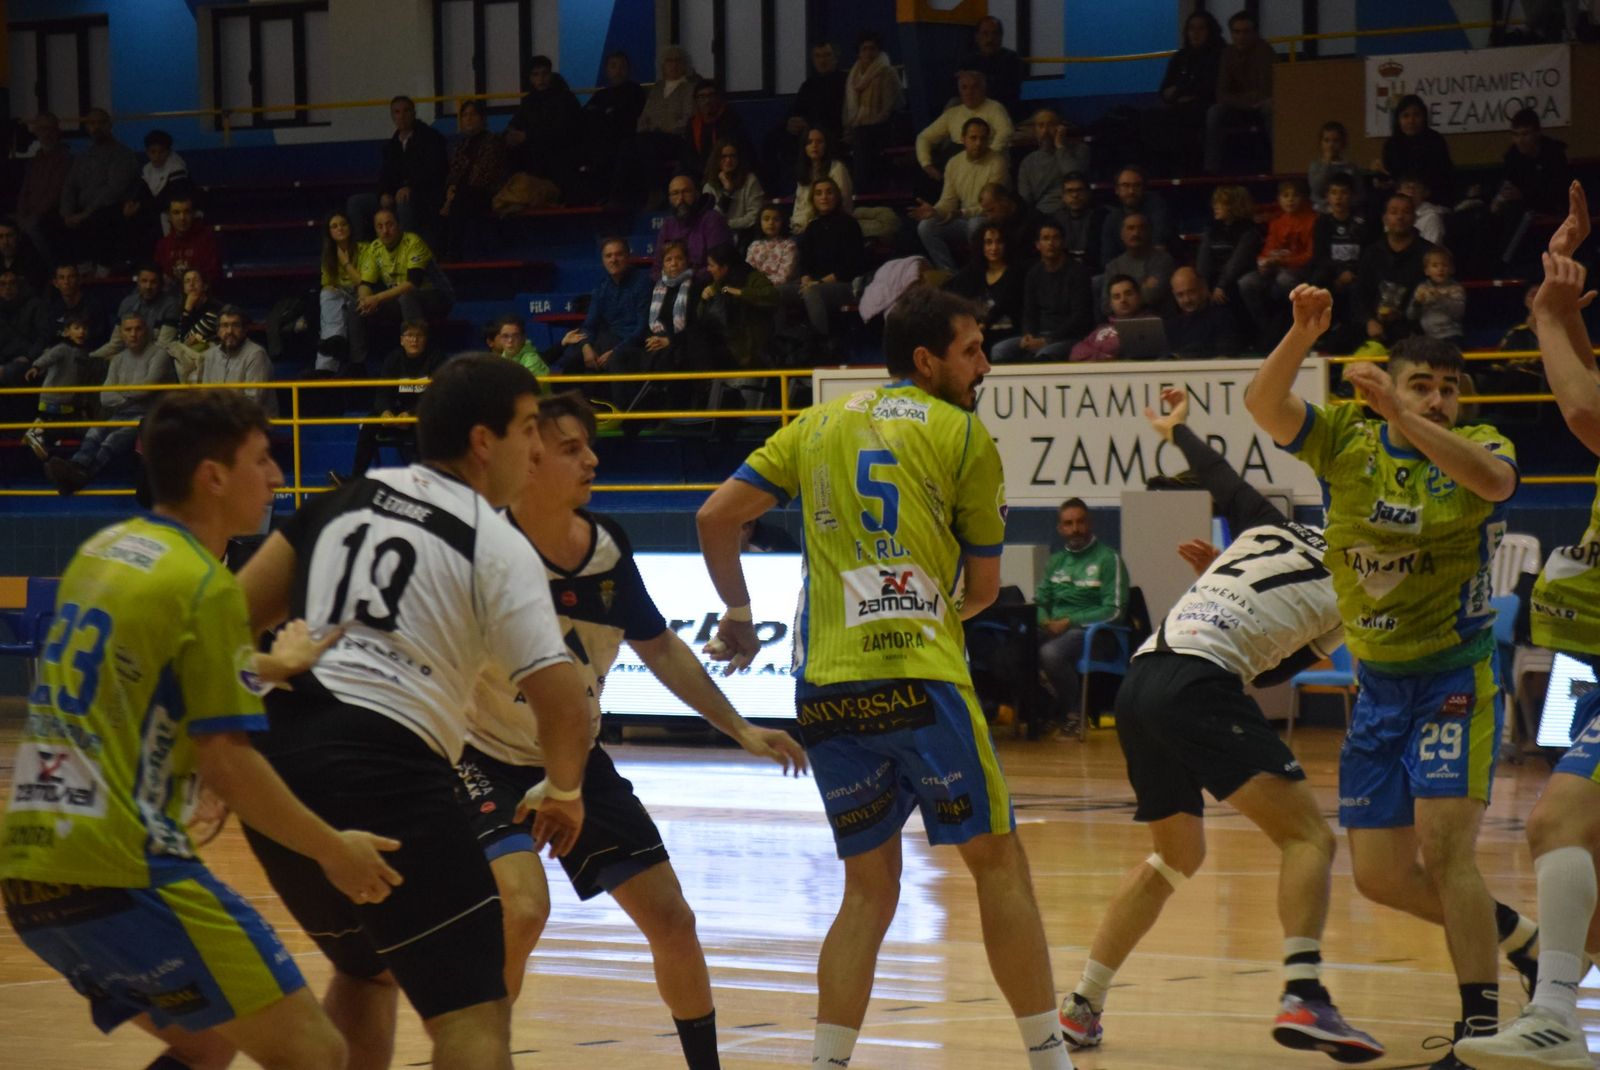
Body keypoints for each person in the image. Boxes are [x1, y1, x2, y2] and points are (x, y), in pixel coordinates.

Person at [695, 286, 1075, 1070]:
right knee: (998, 863)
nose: (983, 364)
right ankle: (1050, 1061)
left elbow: (713, 516)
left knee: (868, 890)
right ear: (927, 359)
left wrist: (737, 608)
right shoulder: (964, 435)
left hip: (827, 689)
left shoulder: (816, 423)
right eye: (971, 349)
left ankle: (826, 1064)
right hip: (920, 678)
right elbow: (980, 590)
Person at [0, 388, 402, 1070]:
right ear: (213, 477)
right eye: (261, 458)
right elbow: (229, 763)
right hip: (126, 867)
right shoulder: (205, 585)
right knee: (318, 1054)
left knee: (209, 1044)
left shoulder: (105, 552)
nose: (276, 475)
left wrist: (277, 663)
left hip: (32, 873)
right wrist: (333, 848)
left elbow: (158, 668)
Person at [232, 354, 595, 1070]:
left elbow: (221, 625)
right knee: (475, 1011)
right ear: (484, 441)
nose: (537, 446)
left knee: (369, 972)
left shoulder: (342, 500)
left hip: (278, 764)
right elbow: (564, 700)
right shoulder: (494, 540)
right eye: (529, 428)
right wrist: (566, 791)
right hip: (383, 767)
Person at [458, 391, 807, 1067]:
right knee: (522, 912)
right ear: (529, 461)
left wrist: (740, 729)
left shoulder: (608, 548)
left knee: (673, 921)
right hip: (484, 759)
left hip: (577, 763)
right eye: (571, 449)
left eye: (590, 445)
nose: (591, 458)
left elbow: (662, 647)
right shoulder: (483, 552)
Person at [1246, 287, 1540, 1068]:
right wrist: (1300, 336)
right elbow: (1264, 404)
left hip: (1453, 677)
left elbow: (1495, 486)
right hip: (1376, 689)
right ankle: (1520, 939)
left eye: (1448, 387)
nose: (1439, 399)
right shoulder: (1345, 437)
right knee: (1379, 877)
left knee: (1447, 852)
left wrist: (1404, 418)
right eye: (1422, 385)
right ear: (1391, 385)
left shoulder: (1481, 442)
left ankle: (1480, 1034)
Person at [1060, 387, 1384, 1061]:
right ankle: (1305, 996)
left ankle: (1083, 1005)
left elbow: (1221, 477)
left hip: (1143, 678)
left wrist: (1178, 431)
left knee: (1175, 856)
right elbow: (1268, 677)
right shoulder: (1361, 585)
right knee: (1309, 839)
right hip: (1199, 683)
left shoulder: (1268, 525)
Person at [1455, 188, 1599, 1070]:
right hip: (1593, 654)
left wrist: (1547, 318)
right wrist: (1559, 306)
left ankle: (1553, 1020)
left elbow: (1585, 415)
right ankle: (1556, 1017)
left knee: (1555, 826)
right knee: (1582, 851)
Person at [45, 313, 176, 495]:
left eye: (138, 329)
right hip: (122, 413)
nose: (133, 334)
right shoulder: (118, 359)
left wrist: (121, 390)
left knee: (112, 439)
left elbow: (146, 389)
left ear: (146, 331)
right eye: (128, 330)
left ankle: (80, 477)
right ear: (121, 333)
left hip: (151, 415)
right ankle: (76, 466)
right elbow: (105, 397)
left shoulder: (159, 355)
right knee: (95, 431)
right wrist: (133, 393)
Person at [1035, 498, 1130, 735]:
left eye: (1080, 522)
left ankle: (1073, 714)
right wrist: (1044, 620)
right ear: (1060, 528)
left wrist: (1069, 622)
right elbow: (1039, 602)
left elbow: (1115, 610)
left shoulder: (1108, 559)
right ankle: (1039, 710)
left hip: (1095, 635)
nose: (1075, 529)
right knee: (1016, 648)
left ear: (1090, 523)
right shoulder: (1056, 561)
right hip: (1054, 630)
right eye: (1068, 523)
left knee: (1050, 653)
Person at [337, 317, 448, 481]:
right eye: (409, 335)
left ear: (426, 339)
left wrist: (412, 414)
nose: (414, 340)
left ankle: (420, 483)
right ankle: (355, 480)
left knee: (425, 429)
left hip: (425, 414)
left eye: (419, 336)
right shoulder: (393, 359)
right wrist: (385, 412)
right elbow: (383, 391)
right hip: (398, 415)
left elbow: (437, 395)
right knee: (369, 424)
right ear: (402, 340)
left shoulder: (437, 359)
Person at [911, 118, 1009, 272]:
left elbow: (991, 207)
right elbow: (948, 201)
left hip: (988, 219)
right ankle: (949, 274)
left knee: (975, 224)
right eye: (973, 138)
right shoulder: (954, 163)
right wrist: (935, 211)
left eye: (983, 138)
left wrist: (962, 213)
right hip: (962, 219)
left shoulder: (997, 162)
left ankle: (980, 273)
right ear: (963, 139)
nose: (978, 143)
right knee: (926, 226)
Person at [348, 96, 450, 245]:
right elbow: (386, 175)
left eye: (406, 111)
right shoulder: (392, 146)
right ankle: (361, 253)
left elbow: (435, 172)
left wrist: (411, 187)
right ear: (392, 116)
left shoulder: (432, 138)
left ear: (413, 113)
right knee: (356, 202)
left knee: (404, 201)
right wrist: (384, 193)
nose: (401, 116)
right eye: (396, 112)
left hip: (425, 196)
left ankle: (407, 255)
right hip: (397, 195)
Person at [613, 240, 698, 415]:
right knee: (620, 356)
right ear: (663, 264)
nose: (674, 263)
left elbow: (697, 328)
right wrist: (652, 338)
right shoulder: (657, 288)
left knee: (667, 359)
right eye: (669, 259)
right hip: (654, 341)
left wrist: (669, 340)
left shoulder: (695, 288)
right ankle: (625, 412)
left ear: (687, 261)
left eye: (679, 259)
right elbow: (649, 322)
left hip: (681, 344)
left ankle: (669, 415)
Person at [992, 220, 1093, 362]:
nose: (1051, 243)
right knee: (1000, 350)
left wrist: (1048, 339)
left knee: (1044, 354)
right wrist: (1028, 334)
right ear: (1037, 245)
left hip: (1069, 337)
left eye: (1055, 238)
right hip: (1039, 334)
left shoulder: (1078, 273)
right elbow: (1029, 311)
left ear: (1063, 242)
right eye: (1046, 238)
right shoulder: (1034, 273)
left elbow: (1080, 317)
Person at [57, 108, 141, 273]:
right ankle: (71, 273)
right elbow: (69, 186)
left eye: (101, 123)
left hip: (110, 209)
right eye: (92, 123)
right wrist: (66, 213)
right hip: (83, 211)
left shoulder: (122, 154)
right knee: (54, 223)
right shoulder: (83, 157)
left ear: (109, 125)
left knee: (99, 219)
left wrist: (85, 214)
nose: (96, 127)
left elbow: (114, 190)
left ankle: (102, 271)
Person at [784, 178, 866, 345]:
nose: (824, 197)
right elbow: (805, 262)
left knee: (812, 292)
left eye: (829, 192)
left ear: (836, 196)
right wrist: (806, 278)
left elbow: (853, 265)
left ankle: (820, 347)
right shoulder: (812, 227)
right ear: (813, 199)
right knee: (775, 293)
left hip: (844, 285)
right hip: (813, 284)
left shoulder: (849, 224)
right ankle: (782, 344)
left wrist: (819, 282)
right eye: (819, 193)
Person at [1239, 179, 1317, 350]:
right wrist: (1263, 262)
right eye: (1285, 196)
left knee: (1284, 280)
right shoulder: (1277, 222)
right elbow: (1268, 249)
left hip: (1299, 270)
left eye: (1295, 196)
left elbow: (1309, 256)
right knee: (1246, 282)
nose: (1290, 200)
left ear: (1303, 198)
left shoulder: (1312, 220)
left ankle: (1296, 327)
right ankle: (1267, 330)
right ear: (1279, 199)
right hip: (1276, 269)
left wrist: (1283, 261)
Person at [556, 236, 652, 376]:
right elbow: (589, 325)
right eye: (608, 256)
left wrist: (616, 350)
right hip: (609, 341)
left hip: (635, 344)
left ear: (628, 256)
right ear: (603, 260)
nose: (613, 260)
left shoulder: (643, 283)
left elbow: (642, 328)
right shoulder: (601, 288)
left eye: (618, 254)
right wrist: (585, 346)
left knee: (616, 359)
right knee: (573, 361)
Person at [1142, 10, 1223, 174]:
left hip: (1205, 106)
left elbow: (1209, 86)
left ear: (1210, 31)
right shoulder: (1181, 57)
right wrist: (1181, 90)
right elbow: (1164, 90)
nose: (1195, 33)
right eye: (1191, 28)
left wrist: (1179, 89)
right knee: (1149, 117)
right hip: (1178, 106)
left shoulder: (1220, 54)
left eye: (1201, 29)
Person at [1351, 193, 1433, 350]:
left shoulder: (1428, 253)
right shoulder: (1372, 252)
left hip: (1416, 330)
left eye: (1406, 212)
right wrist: (1369, 321)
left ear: (1414, 218)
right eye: (1394, 212)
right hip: (1375, 327)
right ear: (1385, 218)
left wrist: (1405, 314)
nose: (1400, 217)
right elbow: (1359, 294)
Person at [357, 207, 455, 334]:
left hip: (437, 296)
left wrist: (376, 298)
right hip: (400, 297)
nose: (385, 231)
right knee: (356, 306)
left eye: (389, 225)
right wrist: (365, 301)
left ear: (398, 225)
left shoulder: (413, 242)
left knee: (407, 298)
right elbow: (366, 283)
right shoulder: (374, 248)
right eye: (379, 227)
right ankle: (359, 354)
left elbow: (412, 284)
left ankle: (418, 348)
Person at [1203, 11, 1276, 175]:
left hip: (1261, 106)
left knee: (1271, 109)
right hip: (1239, 106)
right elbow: (1221, 93)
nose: (1241, 36)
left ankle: (1280, 161)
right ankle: (1211, 170)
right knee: (1214, 112)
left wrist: (1240, 99)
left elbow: (1265, 91)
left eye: (1245, 32)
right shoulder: (1227, 54)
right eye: (1236, 32)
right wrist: (1246, 100)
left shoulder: (1265, 51)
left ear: (1255, 33)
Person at [914, 70, 1014, 187]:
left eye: (974, 87)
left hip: (987, 164)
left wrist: (986, 155)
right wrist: (926, 164)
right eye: (964, 87)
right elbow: (924, 137)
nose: (969, 92)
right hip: (958, 166)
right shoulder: (952, 113)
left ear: (983, 88)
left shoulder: (994, 108)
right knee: (924, 179)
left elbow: (1006, 132)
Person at [441, 99, 510, 260]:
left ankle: (453, 252)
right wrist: (451, 187)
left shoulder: (493, 142)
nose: (469, 119)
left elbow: (485, 175)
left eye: (473, 114)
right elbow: (454, 171)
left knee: (461, 200)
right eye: (465, 115)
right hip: (461, 193)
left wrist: (455, 193)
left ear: (482, 118)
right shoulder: (461, 145)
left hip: (486, 192)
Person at [504, 55, 582, 193]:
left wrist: (528, 136)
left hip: (560, 154)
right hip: (533, 155)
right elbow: (515, 123)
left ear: (551, 75)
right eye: (536, 75)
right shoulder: (529, 101)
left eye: (544, 74)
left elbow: (563, 132)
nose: (540, 79)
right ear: (530, 78)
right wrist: (511, 134)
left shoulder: (565, 99)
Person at [19, 310, 89, 460]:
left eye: (84, 328)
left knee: (66, 425)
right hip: (53, 397)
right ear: (66, 332)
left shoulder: (83, 353)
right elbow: (48, 357)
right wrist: (36, 367)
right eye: (77, 328)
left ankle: (39, 434)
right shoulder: (62, 348)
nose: (82, 332)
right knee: (55, 422)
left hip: (69, 399)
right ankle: (37, 432)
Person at [700, 241, 779, 373]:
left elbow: (773, 296)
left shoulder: (752, 278)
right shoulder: (717, 284)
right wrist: (704, 299)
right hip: (726, 340)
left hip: (748, 344)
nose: (708, 269)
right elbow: (703, 316)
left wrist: (741, 292)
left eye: (711, 265)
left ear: (725, 267)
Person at [944, 222, 1025, 345]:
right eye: (988, 242)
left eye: (999, 242)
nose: (994, 248)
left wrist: (983, 325)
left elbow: (1005, 305)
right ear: (981, 245)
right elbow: (952, 292)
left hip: (1008, 332)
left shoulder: (1016, 273)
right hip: (978, 330)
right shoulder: (973, 271)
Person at [841, 31, 901, 194]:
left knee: (863, 139)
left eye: (872, 49)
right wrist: (849, 128)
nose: (868, 53)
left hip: (882, 128)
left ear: (878, 51)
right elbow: (848, 110)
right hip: (859, 128)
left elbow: (888, 108)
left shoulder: (887, 73)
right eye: (864, 49)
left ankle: (863, 191)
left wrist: (864, 126)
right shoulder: (853, 77)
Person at [1375, 95, 1455, 206]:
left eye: (1416, 115)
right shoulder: (1391, 144)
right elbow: (1388, 177)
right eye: (1405, 116)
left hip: (1432, 200)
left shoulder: (1435, 140)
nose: (1411, 121)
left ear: (1424, 118)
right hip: (1399, 201)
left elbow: (1444, 176)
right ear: (1398, 120)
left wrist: (1420, 191)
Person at [1493, 107, 1572, 219]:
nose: (1520, 140)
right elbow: (1507, 182)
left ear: (1537, 133)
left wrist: (1523, 195)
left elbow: (1558, 193)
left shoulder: (1553, 155)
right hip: (1522, 212)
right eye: (1515, 135)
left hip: (1553, 213)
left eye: (1525, 134)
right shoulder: (1513, 156)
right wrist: (1498, 200)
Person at [90, 262, 180, 359]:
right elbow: (116, 343)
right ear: (138, 282)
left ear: (161, 284)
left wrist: (130, 361)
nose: (148, 286)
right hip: (128, 356)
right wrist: (90, 357)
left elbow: (163, 347)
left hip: (157, 359)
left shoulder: (170, 305)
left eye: (153, 282)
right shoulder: (128, 303)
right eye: (144, 281)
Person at [199, 305, 276, 415]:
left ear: (245, 329)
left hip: (252, 424)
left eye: (235, 325)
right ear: (218, 331)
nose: (230, 331)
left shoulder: (256, 354)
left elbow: (253, 402)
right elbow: (205, 395)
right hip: (222, 422)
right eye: (225, 326)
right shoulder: (211, 355)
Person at [1195, 184, 1261, 309]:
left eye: (1221, 203)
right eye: (1215, 202)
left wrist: (1221, 285)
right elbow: (1203, 261)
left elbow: (1237, 263)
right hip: (1215, 278)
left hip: (1237, 278)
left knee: (1227, 296)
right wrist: (1202, 284)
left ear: (1234, 206)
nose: (1215, 206)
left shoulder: (1248, 231)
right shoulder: (1212, 229)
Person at [17, 113, 72, 265]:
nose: (45, 133)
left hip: (52, 214)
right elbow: (25, 190)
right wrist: (21, 214)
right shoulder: (35, 161)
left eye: (49, 129)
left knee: (34, 226)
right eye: (41, 129)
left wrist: (33, 216)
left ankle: (55, 267)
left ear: (57, 131)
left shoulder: (65, 159)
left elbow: (56, 192)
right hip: (31, 214)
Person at [1100, 213, 1176, 318]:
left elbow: (1152, 295)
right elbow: (1106, 305)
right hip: (1121, 325)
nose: (1136, 233)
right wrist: (1143, 287)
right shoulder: (1113, 266)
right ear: (1122, 234)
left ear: (1149, 232)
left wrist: (1118, 299)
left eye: (1141, 228)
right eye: (1130, 228)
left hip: (1158, 323)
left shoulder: (1163, 260)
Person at [658, 174, 734, 278]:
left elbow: (719, 266)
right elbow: (657, 266)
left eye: (686, 192)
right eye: (675, 193)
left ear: (696, 194)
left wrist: (686, 278)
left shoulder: (713, 220)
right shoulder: (668, 224)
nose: (681, 198)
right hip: (671, 285)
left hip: (705, 286)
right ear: (670, 198)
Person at [1309, 174, 1367, 308]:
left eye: (1344, 192)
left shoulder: (1363, 221)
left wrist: (1351, 272)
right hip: (1331, 271)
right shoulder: (1322, 222)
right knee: (1317, 279)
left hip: (1356, 271)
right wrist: (1339, 273)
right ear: (1327, 196)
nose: (1338, 197)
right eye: (1334, 193)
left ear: (1352, 195)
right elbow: (1320, 255)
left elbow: (1368, 253)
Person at [1017, 110, 1090, 217]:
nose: (1045, 131)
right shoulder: (1028, 162)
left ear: (1060, 128)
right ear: (1035, 130)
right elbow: (1025, 199)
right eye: (1040, 126)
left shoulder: (1080, 150)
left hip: (1072, 212)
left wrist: (1060, 147)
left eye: (1050, 125)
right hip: (1041, 215)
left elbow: (1074, 178)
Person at [317, 210, 365, 371]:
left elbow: (362, 282)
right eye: (334, 226)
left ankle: (326, 366)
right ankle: (334, 344)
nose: (340, 228)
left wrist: (345, 262)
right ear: (329, 232)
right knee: (328, 296)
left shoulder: (364, 249)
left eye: (343, 224)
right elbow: (328, 284)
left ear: (350, 227)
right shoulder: (328, 254)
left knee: (332, 305)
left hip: (363, 294)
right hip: (340, 296)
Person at [787, 126, 855, 234]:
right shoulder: (804, 171)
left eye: (819, 142)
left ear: (826, 145)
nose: (814, 146)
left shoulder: (837, 168)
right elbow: (799, 206)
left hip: (831, 227)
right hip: (803, 228)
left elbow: (844, 203)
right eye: (809, 142)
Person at [1166, 266, 1239, 359]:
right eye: (1180, 295)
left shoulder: (1223, 318)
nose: (1186, 299)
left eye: (1191, 292)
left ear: (1203, 288)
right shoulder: (1173, 323)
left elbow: (1225, 356)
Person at [1100, 166, 1171, 261]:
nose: (1131, 191)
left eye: (1137, 185)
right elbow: (1107, 259)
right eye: (1126, 185)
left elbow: (1159, 249)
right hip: (1122, 271)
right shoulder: (1112, 218)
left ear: (1144, 188)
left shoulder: (1157, 208)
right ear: (1117, 190)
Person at [958, 15, 1026, 115]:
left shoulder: (1012, 59)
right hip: (972, 108)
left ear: (1001, 37)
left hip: (1003, 109)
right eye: (985, 34)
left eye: (995, 33)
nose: (990, 39)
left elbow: (1008, 91)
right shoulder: (967, 61)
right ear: (977, 37)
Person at [683, 80, 749, 180]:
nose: (707, 101)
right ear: (696, 101)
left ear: (718, 98)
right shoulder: (692, 124)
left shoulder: (731, 120)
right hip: (700, 173)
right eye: (702, 97)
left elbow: (737, 153)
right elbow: (690, 156)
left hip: (729, 171)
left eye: (711, 95)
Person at [702, 140, 765, 244]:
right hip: (718, 237)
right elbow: (712, 220)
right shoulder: (709, 186)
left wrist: (727, 224)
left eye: (732, 156)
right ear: (716, 159)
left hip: (746, 235)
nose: (728, 160)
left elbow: (755, 215)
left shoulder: (750, 180)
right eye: (723, 156)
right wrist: (727, 192)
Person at [154, 195, 223, 288]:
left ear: (193, 214)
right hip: (170, 299)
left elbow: (213, 277)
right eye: (176, 213)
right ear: (169, 216)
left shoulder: (207, 241)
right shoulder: (163, 245)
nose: (182, 218)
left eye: (186, 212)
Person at [1409, 248, 1466, 344]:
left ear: (1452, 269)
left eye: (1444, 265)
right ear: (1426, 270)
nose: (1440, 269)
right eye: (1435, 265)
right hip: (1428, 337)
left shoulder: (1455, 289)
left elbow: (1458, 313)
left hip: (1451, 335)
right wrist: (1417, 302)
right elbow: (1411, 315)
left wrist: (1440, 298)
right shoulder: (1422, 288)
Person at [44, 262, 109, 345]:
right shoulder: (53, 308)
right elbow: (49, 336)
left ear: (79, 280)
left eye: (71, 277)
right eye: (61, 278)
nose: (66, 282)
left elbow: (100, 337)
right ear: (56, 283)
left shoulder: (93, 305)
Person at [1053, 172, 1106, 272]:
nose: (1075, 195)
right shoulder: (1055, 220)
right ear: (1062, 196)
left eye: (1079, 190)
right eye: (1069, 191)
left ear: (1088, 193)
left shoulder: (1101, 218)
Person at [1308, 121, 1358, 213]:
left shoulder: (1350, 167)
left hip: (1346, 210)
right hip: (1321, 210)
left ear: (1343, 143)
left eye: (1335, 141)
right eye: (1326, 140)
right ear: (1321, 143)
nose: (1331, 145)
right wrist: (1326, 164)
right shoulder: (1315, 166)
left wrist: (1346, 205)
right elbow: (1316, 190)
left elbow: (1359, 193)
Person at [746, 206, 799, 285]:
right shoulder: (754, 245)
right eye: (766, 219)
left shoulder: (789, 246)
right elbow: (748, 271)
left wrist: (761, 285)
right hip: (755, 286)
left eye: (776, 219)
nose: (771, 223)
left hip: (778, 287)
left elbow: (783, 277)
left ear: (782, 222)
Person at [0, 217, 50, 294]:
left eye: (9, 236)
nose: (5, 242)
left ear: (18, 237)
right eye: (1, 237)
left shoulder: (33, 261)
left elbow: (36, 291)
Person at [1400, 175, 1449, 247]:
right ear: (1398, 191)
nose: (1411, 191)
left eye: (1416, 187)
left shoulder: (1431, 217)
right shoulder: (1393, 215)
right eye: (1407, 187)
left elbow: (1431, 250)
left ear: (1425, 193)